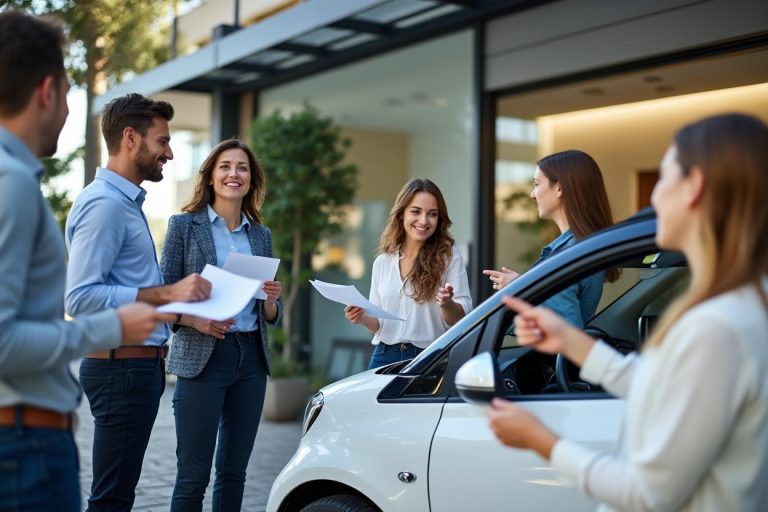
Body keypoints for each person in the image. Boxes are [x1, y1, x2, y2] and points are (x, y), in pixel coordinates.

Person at [487, 113, 768, 511]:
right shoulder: (740, 307)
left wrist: (540, 441)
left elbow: (648, 495)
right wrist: (572, 342)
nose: (652, 200)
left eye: (663, 180)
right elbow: (665, 392)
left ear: (695, 187)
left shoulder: (716, 328)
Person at [0, 11, 171, 512]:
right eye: (72, 91)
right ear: (49, 91)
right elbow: (13, 333)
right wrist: (112, 325)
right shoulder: (15, 184)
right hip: (27, 439)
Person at [65, 93, 212, 512]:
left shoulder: (123, 203)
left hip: (130, 366)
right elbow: (80, 297)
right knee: (111, 500)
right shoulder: (106, 206)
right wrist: (168, 292)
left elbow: (124, 293)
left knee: (116, 496)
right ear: (130, 138)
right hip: (121, 369)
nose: (169, 152)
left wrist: (182, 314)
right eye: (162, 141)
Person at [160, 139, 283, 511]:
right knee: (193, 475)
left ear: (251, 179)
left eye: (242, 168)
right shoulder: (183, 226)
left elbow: (270, 315)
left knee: (234, 472)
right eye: (226, 167)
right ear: (211, 177)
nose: (234, 174)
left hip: (250, 360)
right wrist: (195, 320)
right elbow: (162, 296)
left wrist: (273, 301)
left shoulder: (261, 235)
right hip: (203, 357)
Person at [346, 178, 472, 368]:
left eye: (432, 214)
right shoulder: (383, 262)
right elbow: (378, 323)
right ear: (401, 214)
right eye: (416, 211)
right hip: (384, 355)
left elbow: (461, 317)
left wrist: (447, 304)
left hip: (430, 357)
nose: (423, 220)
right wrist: (362, 317)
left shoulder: (449, 257)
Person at [483, 150, 619, 328]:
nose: (532, 194)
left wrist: (521, 288)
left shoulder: (570, 255)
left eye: (537, 184)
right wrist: (524, 284)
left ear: (559, 188)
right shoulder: (581, 248)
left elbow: (565, 330)